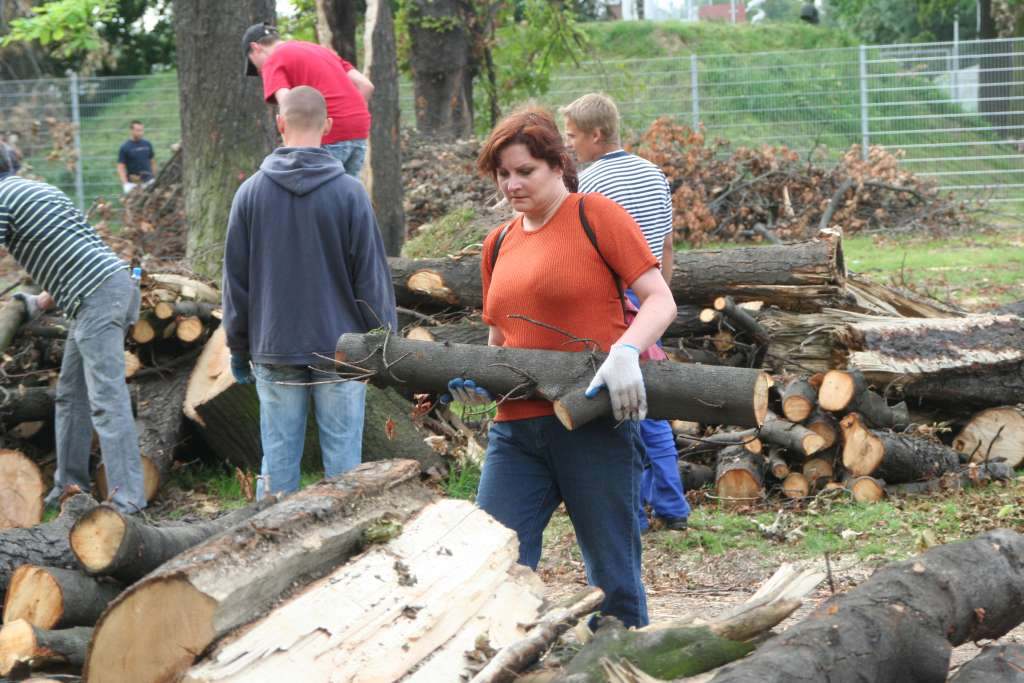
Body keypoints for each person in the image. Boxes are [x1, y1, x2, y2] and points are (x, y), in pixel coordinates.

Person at [450, 107, 677, 628]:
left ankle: (618, 660)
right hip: (516, 433)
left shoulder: (596, 216)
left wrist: (625, 350)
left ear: (557, 164)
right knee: (496, 564)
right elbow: (498, 338)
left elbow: (660, 299)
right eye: (503, 174)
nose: (511, 184)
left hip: (592, 423)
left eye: (524, 171)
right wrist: (480, 385)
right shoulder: (499, 241)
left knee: (613, 577)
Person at [222, 86, 397, 500]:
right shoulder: (350, 193)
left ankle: (271, 546)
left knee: (278, 465)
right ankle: (350, 544)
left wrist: (237, 345)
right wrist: (383, 343)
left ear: (279, 123)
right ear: (329, 127)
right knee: (344, 471)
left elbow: (236, 282)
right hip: (341, 350)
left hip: (274, 346)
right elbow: (371, 279)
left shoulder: (249, 193)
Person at [561, 92, 691, 533]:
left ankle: (633, 514)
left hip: (613, 304)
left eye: (574, 137)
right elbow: (667, 244)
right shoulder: (654, 173)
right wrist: (660, 302)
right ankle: (672, 506)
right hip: (649, 299)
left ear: (597, 135)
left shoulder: (591, 183)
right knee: (650, 405)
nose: (571, 147)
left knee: (621, 407)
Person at [0, 143, 146, 514]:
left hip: (97, 297)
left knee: (106, 400)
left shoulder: (2, 196)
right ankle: (69, 486)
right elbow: (74, 250)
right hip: (111, 285)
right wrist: (36, 303)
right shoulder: (39, 189)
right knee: (71, 394)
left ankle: (128, 501)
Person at [243, 22, 374, 178]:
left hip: (325, 135)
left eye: (253, 64)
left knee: (313, 197)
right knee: (344, 195)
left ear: (256, 47)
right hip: (358, 132)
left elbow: (288, 104)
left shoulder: (273, 59)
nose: (258, 71)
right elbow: (366, 86)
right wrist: (346, 117)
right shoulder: (320, 50)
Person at [117, 120, 157, 193]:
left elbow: (152, 161)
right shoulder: (125, 147)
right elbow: (121, 167)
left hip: (149, 182)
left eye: (142, 130)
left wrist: (154, 178)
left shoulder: (147, 144)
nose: (141, 133)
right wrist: (125, 184)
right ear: (131, 131)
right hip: (133, 184)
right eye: (138, 130)